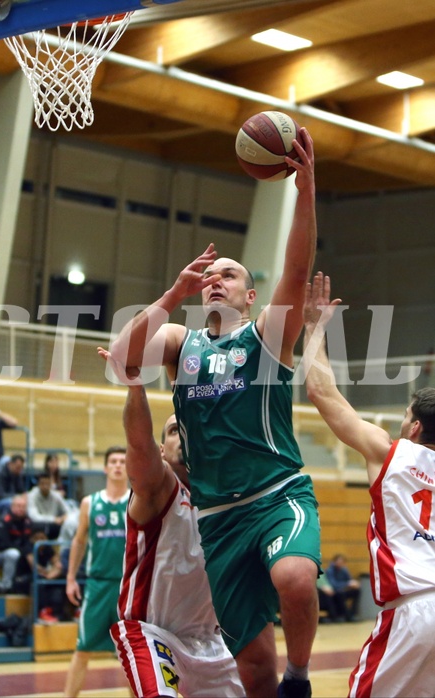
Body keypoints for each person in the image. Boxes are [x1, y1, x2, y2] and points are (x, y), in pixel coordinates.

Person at [110, 128, 319, 697]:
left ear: (250, 297)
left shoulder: (268, 338)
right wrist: (173, 293)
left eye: (227, 275)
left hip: (278, 493)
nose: (214, 281)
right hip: (217, 515)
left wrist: (305, 191)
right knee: (251, 665)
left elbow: (297, 275)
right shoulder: (182, 343)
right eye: (210, 276)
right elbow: (123, 360)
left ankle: (299, 678)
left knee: (296, 578)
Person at [303, 271, 435, 698]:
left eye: (402, 417)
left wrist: (314, 326)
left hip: (412, 609)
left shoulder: (390, 451)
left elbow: (322, 393)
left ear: (415, 427)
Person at [99, 348, 244, 697]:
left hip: (209, 640)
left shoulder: (225, 500)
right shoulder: (159, 488)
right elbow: (138, 442)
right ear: (162, 449)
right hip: (150, 633)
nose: (183, 437)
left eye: (188, 429)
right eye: (174, 430)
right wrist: (136, 389)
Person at [63, 446, 129, 698]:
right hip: (98, 585)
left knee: (130, 652)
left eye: (123, 461)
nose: (117, 465)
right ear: (105, 468)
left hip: (128, 586)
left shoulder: (137, 499)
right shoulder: (90, 503)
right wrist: (70, 578)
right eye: (112, 461)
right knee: (82, 648)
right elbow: (79, 541)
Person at [0, 494, 33, 593]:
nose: (20, 509)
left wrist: (26, 552)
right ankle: (5, 586)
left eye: (23, 507)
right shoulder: (4, 520)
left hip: (20, 554)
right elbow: (4, 544)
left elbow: (28, 541)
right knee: (13, 554)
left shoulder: (28, 522)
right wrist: (24, 552)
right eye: (18, 506)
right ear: (12, 507)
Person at [27, 470, 68, 539]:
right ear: (38, 484)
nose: (45, 486)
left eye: (48, 484)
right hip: (39, 526)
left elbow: (67, 511)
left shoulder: (56, 495)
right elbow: (34, 516)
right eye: (43, 483)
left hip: (55, 526)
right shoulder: (32, 496)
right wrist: (54, 519)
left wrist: (65, 517)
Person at [324, 554, 360, 622]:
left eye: (342, 562)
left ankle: (352, 613)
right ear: (334, 562)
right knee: (340, 594)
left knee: (356, 591)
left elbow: (349, 580)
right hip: (335, 592)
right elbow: (333, 584)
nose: (340, 563)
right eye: (338, 561)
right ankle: (346, 615)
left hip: (343, 590)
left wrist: (353, 583)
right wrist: (347, 584)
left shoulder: (344, 570)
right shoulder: (330, 570)